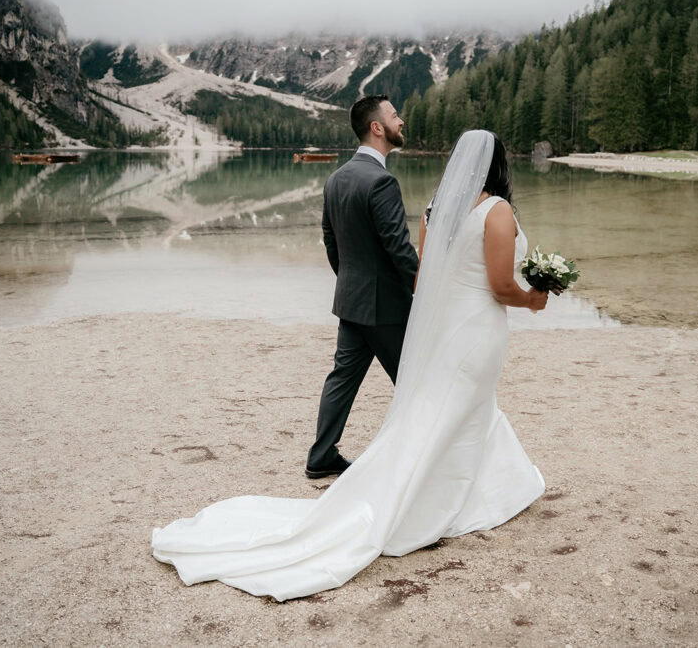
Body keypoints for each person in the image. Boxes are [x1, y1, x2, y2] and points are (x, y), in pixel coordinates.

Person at [152, 130, 552, 601]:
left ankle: (487, 483)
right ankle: (436, 499)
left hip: (449, 328)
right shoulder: (497, 211)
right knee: (462, 408)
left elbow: (424, 278)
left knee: (449, 409)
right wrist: (534, 298)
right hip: (479, 327)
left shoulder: (434, 212)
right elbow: (502, 286)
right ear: (500, 165)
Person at [306, 94, 418, 479]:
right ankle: (421, 457)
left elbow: (331, 243)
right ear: (377, 127)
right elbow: (399, 249)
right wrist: (422, 288)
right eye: (394, 115)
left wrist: (352, 283)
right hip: (386, 308)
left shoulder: (335, 178)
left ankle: (321, 456)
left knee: (341, 379)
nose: (400, 121)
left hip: (352, 302)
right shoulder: (382, 181)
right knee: (416, 381)